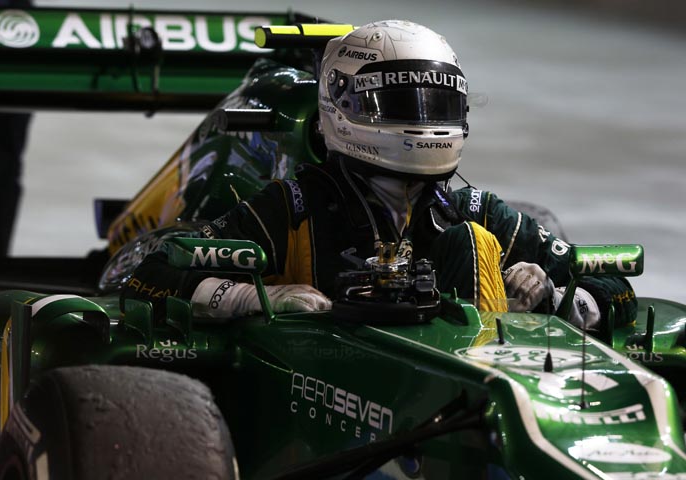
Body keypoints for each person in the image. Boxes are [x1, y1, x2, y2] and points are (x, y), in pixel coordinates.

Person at [121, 20, 636, 329]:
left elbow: (616, 290)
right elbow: (149, 278)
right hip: (330, 401)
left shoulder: (474, 212)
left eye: (435, 104)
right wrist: (252, 297)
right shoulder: (293, 207)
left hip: (473, 401)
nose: (424, 122)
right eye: (403, 104)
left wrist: (557, 299)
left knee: (470, 244)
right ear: (342, 106)